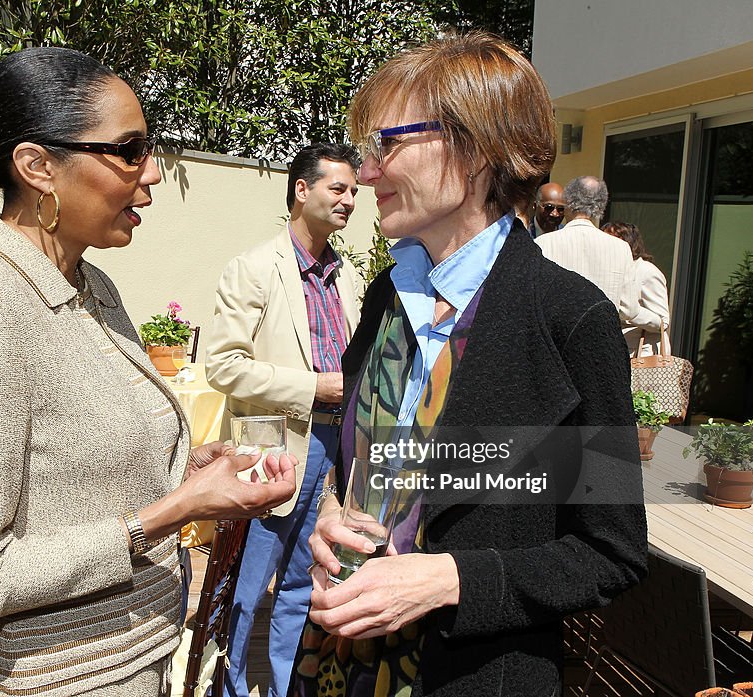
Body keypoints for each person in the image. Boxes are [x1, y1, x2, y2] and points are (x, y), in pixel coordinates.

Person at [0, 47, 296, 697]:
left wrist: (190, 473)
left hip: (134, 666)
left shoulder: (92, 284)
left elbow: (71, 473)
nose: (153, 173)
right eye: (129, 149)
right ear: (38, 167)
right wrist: (167, 514)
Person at [289, 32, 647, 696]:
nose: (367, 173)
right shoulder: (387, 299)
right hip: (338, 666)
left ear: (477, 147)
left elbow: (609, 551)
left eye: (387, 146)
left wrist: (448, 578)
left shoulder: (566, 319)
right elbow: (362, 464)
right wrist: (332, 510)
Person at [205, 143, 362, 697]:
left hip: (335, 450)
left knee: (303, 579)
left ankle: (284, 689)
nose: (349, 200)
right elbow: (223, 366)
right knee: (246, 587)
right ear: (302, 189)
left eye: (353, 191)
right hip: (274, 446)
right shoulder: (254, 267)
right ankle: (229, 687)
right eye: (337, 189)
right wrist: (312, 387)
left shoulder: (344, 275)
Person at [537, 176, 662, 334]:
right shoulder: (621, 248)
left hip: (555, 339)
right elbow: (629, 309)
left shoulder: (542, 244)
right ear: (600, 205)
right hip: (600, 339)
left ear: (568, 202)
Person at [603, 221, 671, 356]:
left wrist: (632, 313)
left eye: (612, 239)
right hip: (612, 352)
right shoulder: (607, 270)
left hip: (641, 355)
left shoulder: (647, 272)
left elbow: (663, 322)